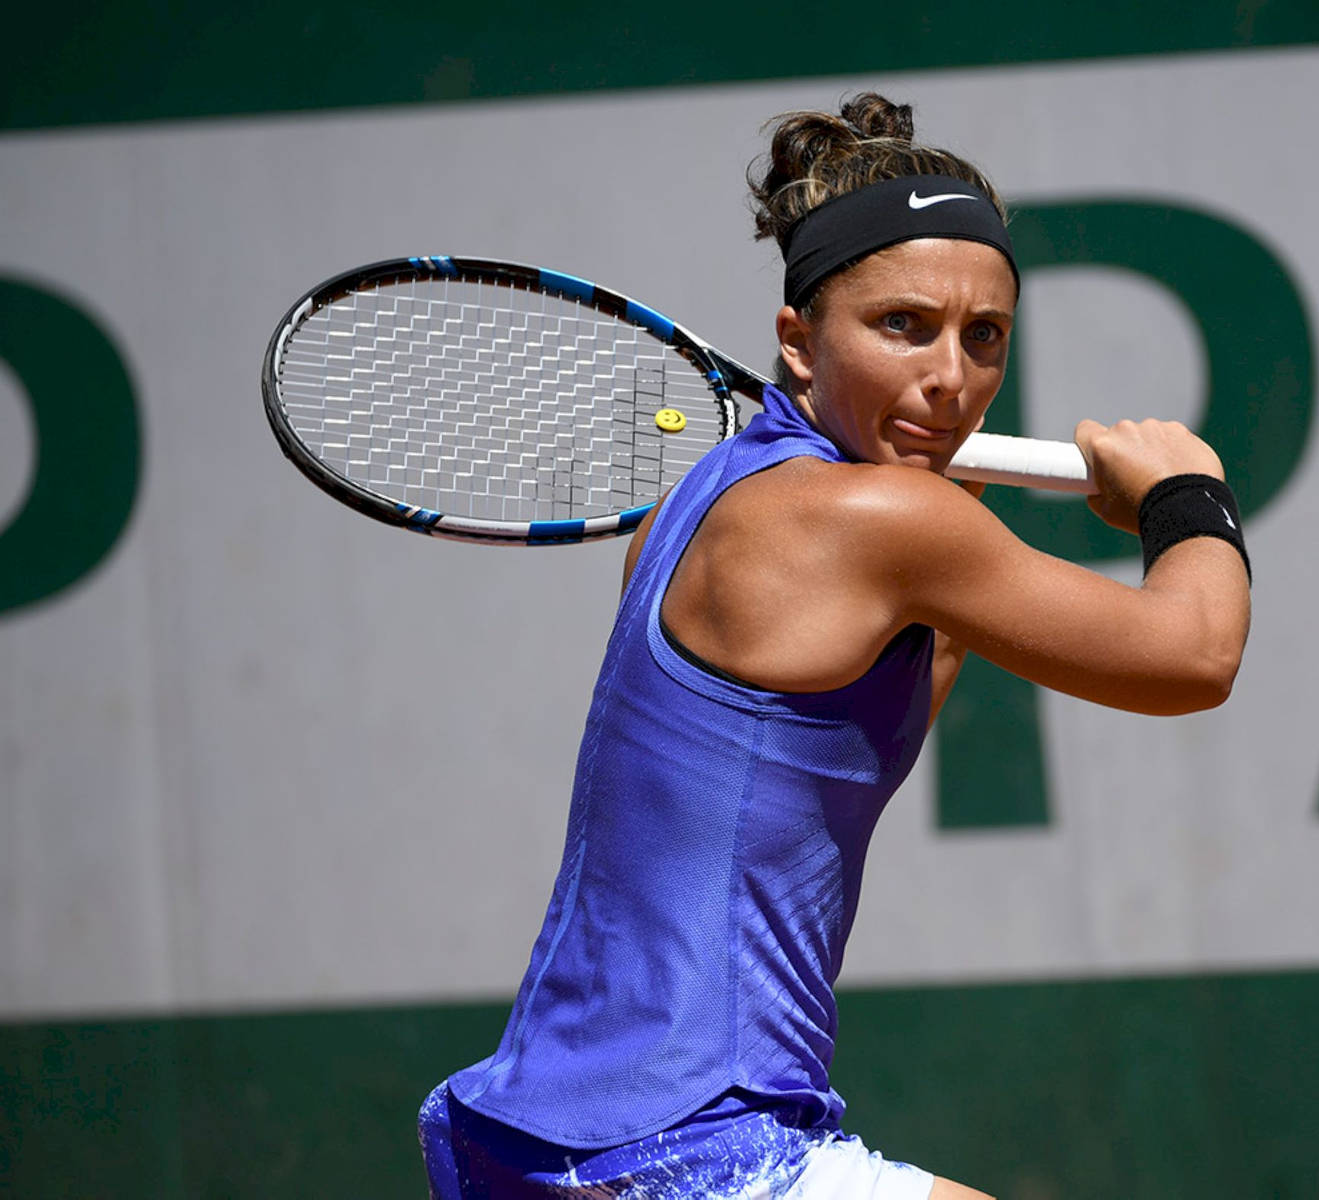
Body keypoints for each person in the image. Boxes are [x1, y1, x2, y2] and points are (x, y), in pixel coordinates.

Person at [417, 92, 1252, 1200]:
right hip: (682, 1142)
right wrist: (1189, 499)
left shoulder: (710, 501)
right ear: (799, 343)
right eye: (902, 325)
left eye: (983, 337)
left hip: (539, 1142)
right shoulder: (882, 525)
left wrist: (944, 499)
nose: (950, 376)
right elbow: (1193, 655)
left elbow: (855, 730)